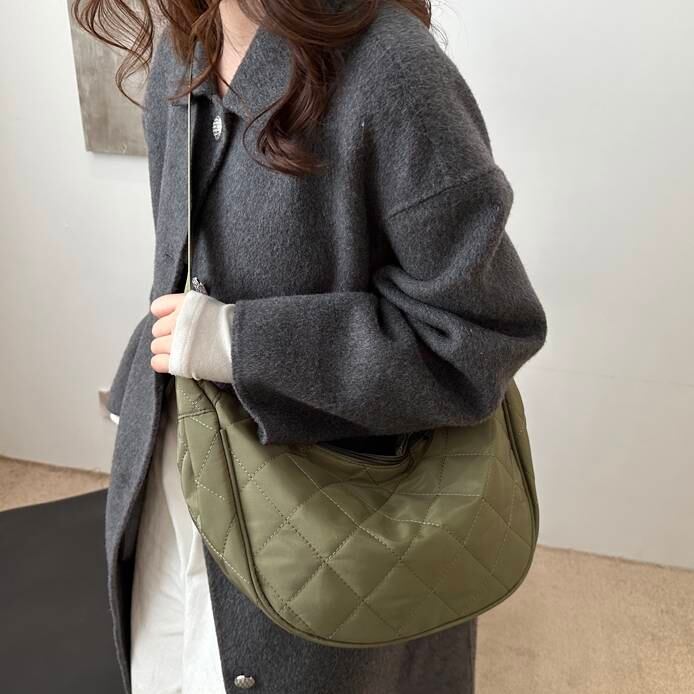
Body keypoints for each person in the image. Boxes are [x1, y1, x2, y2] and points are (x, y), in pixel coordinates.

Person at [75, 0, 548, 691]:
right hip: (173, 490)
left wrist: (243, 345)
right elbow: (184, 265)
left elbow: (480, 336)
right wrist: (146, 392)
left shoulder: (394, 70)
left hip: (331, 525)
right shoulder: (186, 50)